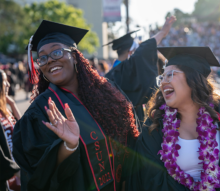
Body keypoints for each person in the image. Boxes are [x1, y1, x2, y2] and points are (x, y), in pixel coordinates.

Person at [12, 20, 140, 191]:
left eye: (56, 52)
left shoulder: (108, 93)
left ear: (74, 55)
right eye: (42, 57)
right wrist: (68, 146)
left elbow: (131, 142)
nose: (49, 60)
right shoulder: (42, 113)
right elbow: (38, 175)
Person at [127, 47, 220, 191]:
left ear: (192, 77)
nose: (163, 82)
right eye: (162, 77)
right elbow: (151, 180)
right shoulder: (155, 126)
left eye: (170, 74)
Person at [105, 16, 176, 122]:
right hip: (133, 120)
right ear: (131, 52)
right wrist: (162, 32)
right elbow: (144, 50)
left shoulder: (108, 76)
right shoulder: (128, 69)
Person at [0, 69, 21, 191]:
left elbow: (21, 127)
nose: (8, 84)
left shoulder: (5, 110)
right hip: (6, 171)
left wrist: (12, 104)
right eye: (4, 81)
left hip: (17, 164)